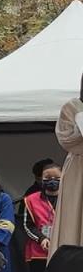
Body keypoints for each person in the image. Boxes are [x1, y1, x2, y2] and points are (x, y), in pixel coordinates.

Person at [53, 93, 81, 254]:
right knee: (73, 218)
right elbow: (66, 139)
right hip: (78, 167)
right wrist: (80, 127)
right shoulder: (72, 107)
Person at [21, 162, 61, 272]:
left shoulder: (71, 198)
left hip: (63, 249)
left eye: (57, 178)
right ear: (41, 179)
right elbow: (27, 225)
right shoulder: (30, 200)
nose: (52, 180)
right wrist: (42, 239)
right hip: (38, 251)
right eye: (47, 178)